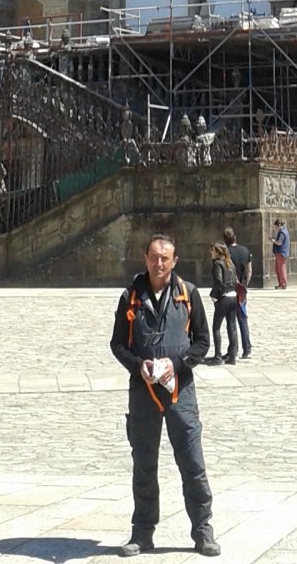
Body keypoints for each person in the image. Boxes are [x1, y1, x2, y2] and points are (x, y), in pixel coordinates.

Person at [109, 233, 219, 558]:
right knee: (144, 465)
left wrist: (178, 363)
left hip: (179, 394)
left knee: (192, 463)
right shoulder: (130, 296)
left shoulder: (189, 295)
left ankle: (203, 531)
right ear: (145, 258)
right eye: (154, 257)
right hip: (142, 394)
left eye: (165, 258)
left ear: (175, 261)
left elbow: (202, 342)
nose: (159, 263)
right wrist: (137, 365)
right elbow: (117, 344)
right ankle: (142, 533)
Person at [224, 226, 252, 360]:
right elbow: (249, 270)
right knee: (242, 318)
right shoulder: (245, 251)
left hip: (230, 289)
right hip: (242, 290)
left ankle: (233, 350)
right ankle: (247, 349)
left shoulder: (226, 253)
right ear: (235, 237)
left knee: (231, 321)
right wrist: (245, 285)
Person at [207, 243, 238, 366]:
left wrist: (214, 295)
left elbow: (218, 281)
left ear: (218, 252)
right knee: (232, 326)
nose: (211, 252)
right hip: (233, 296)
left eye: (213, 250)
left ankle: (218, 356)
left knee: (216, 327)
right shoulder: (230, 264)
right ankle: (232, 355)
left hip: (224, 297)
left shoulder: (217, 264)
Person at [271, 219, 289, 289]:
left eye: (276, 227)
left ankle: (283, 284)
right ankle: (281, 283)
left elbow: (279, 242)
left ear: (279, 226)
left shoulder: (281, 233)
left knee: (281, 268)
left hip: (280, 253)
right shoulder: (285, 231)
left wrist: (273, 241)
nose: (275, 229)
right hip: (282, 253)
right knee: (278, 269)